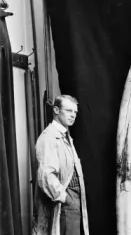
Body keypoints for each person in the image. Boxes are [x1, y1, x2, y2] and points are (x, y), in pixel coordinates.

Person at [32, 95, 89, 235]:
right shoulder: (48, 138)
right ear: (56, 110)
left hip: (74, 201)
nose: (73, 115)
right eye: (69, 110)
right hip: (65, 202)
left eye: (75, 112)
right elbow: (46, 176)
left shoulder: (65, 136)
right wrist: (65, 199)